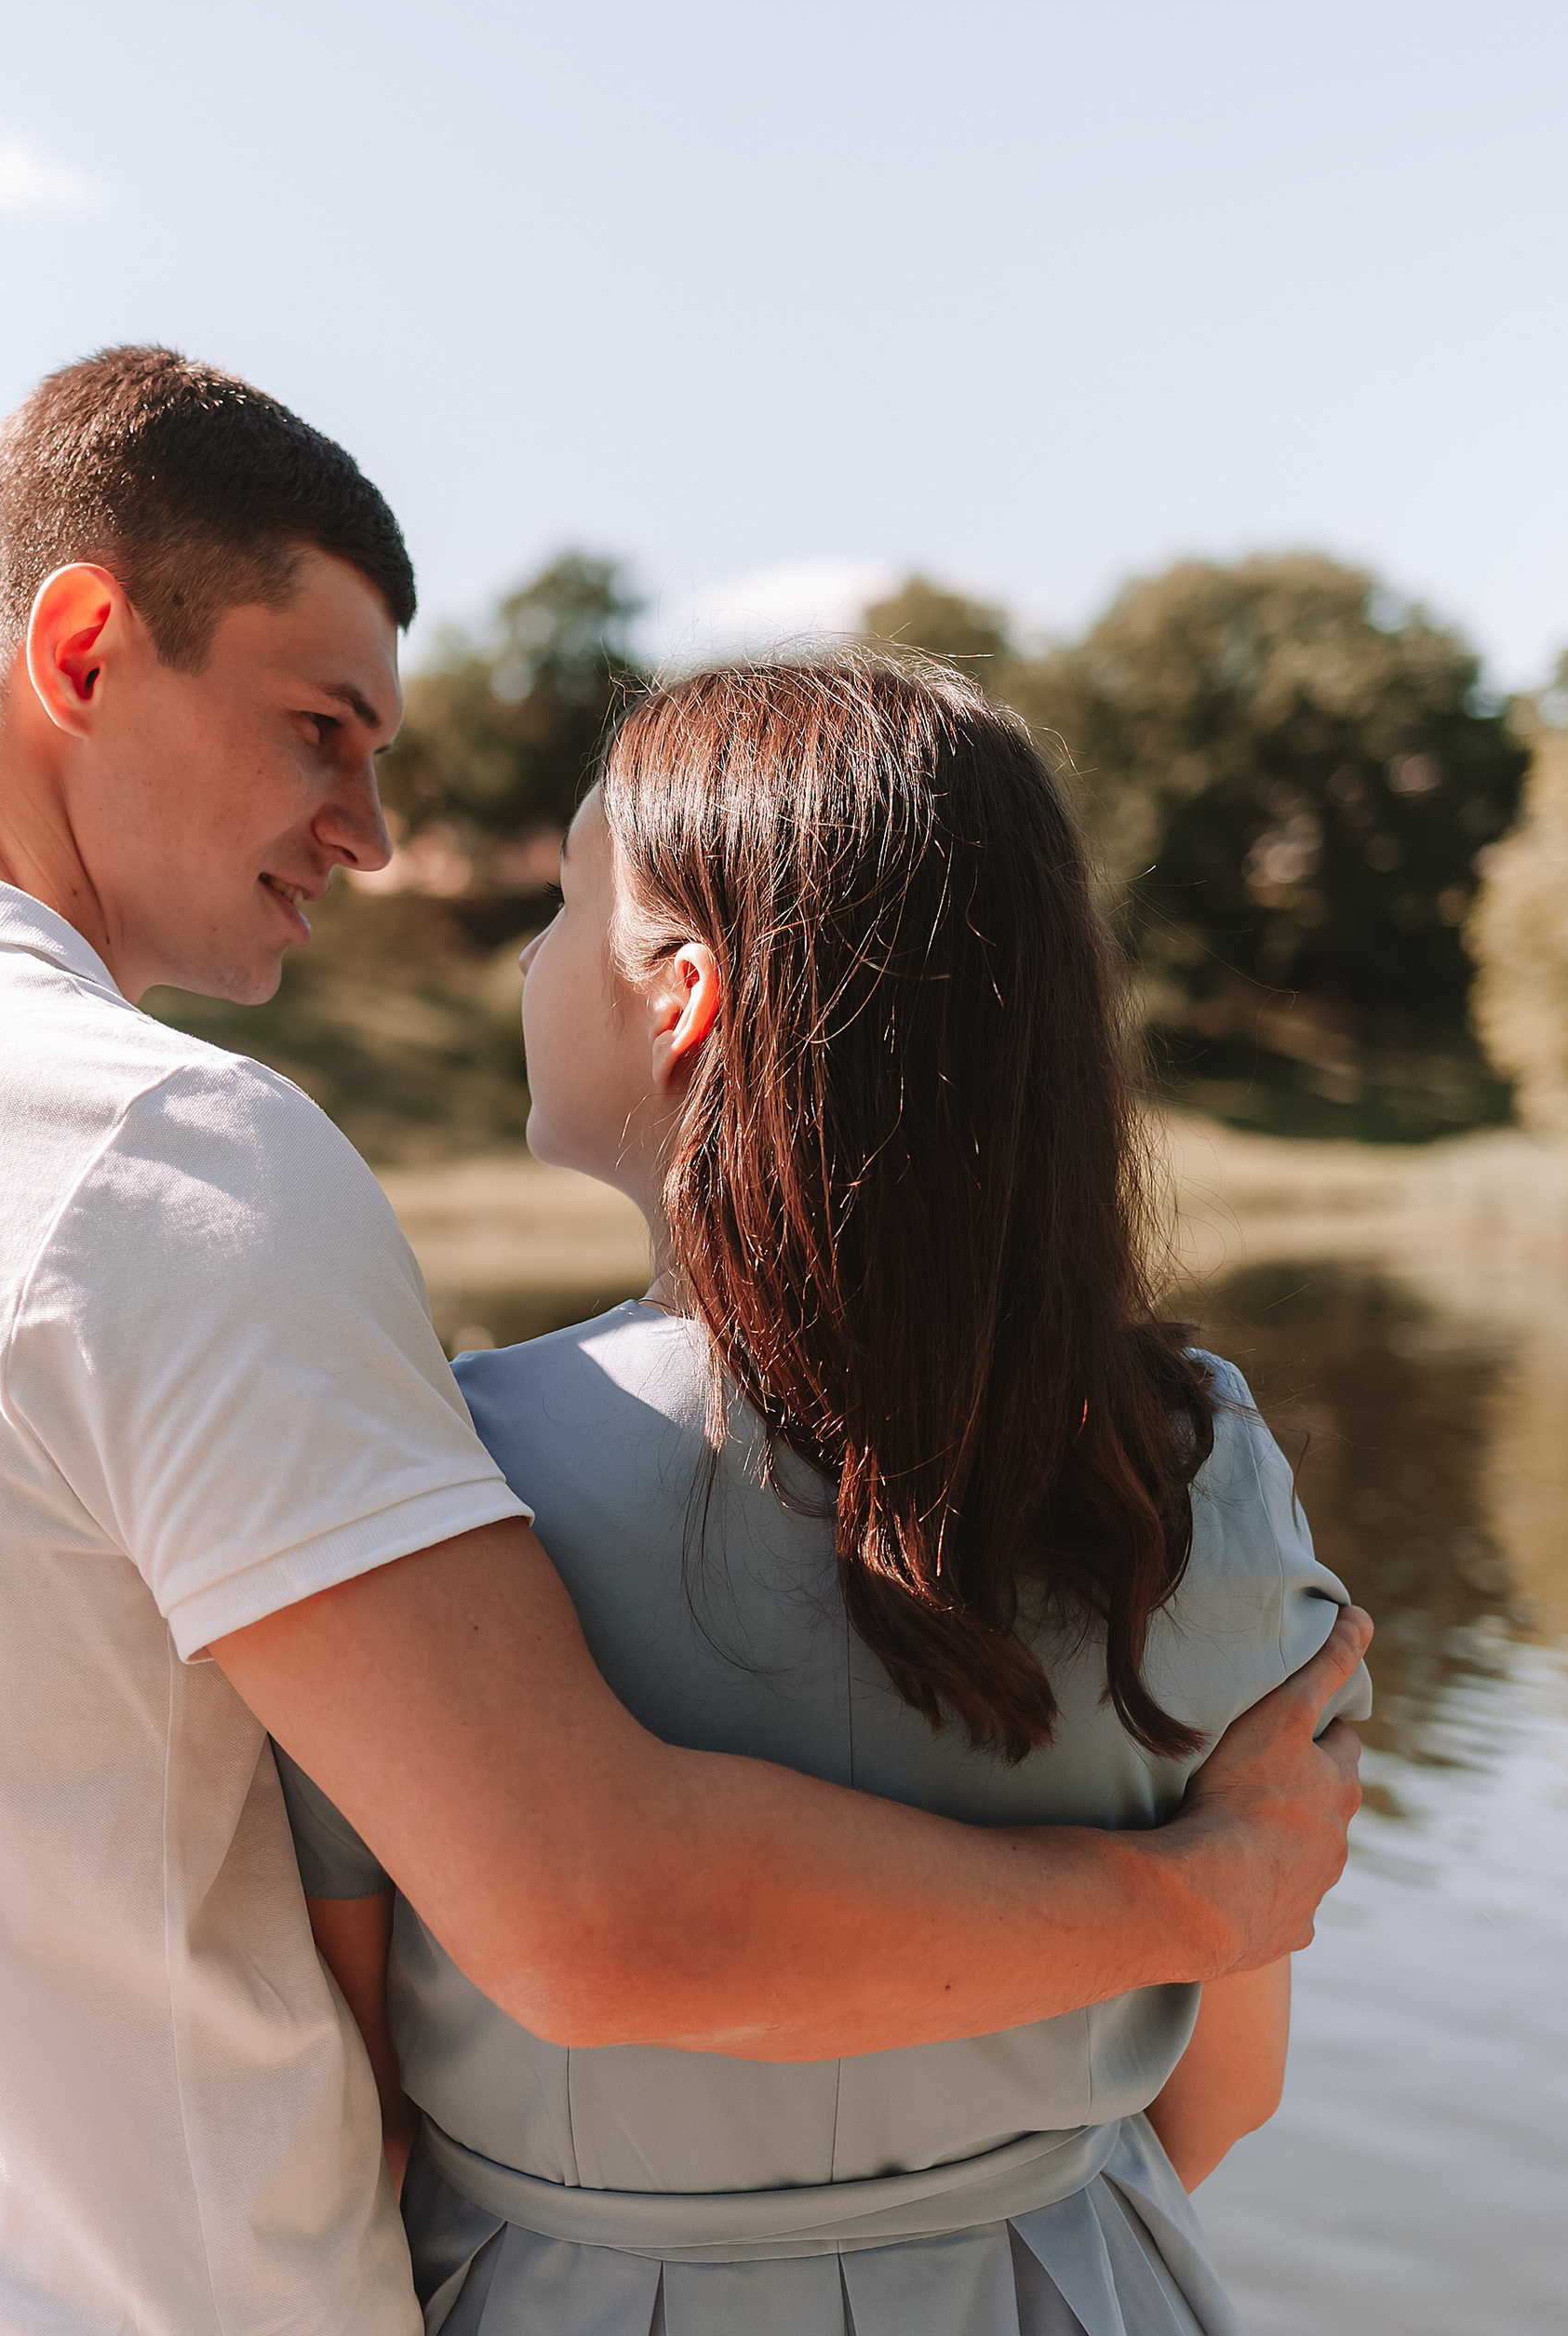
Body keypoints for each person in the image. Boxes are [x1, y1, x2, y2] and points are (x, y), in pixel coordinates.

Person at [0, 348, 1367, 2336]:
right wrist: (1199, 1899)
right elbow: (586, 1914)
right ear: (84, 648)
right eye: (320, 728)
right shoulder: (159, 1156)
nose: (369, 833)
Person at [280, 653, 1373, 2334]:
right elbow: (1229, 2090)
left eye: (564, 903)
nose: (528, 955)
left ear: (683, 996)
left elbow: (355, 2093)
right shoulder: (1193, 1459)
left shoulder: (442, 1476)